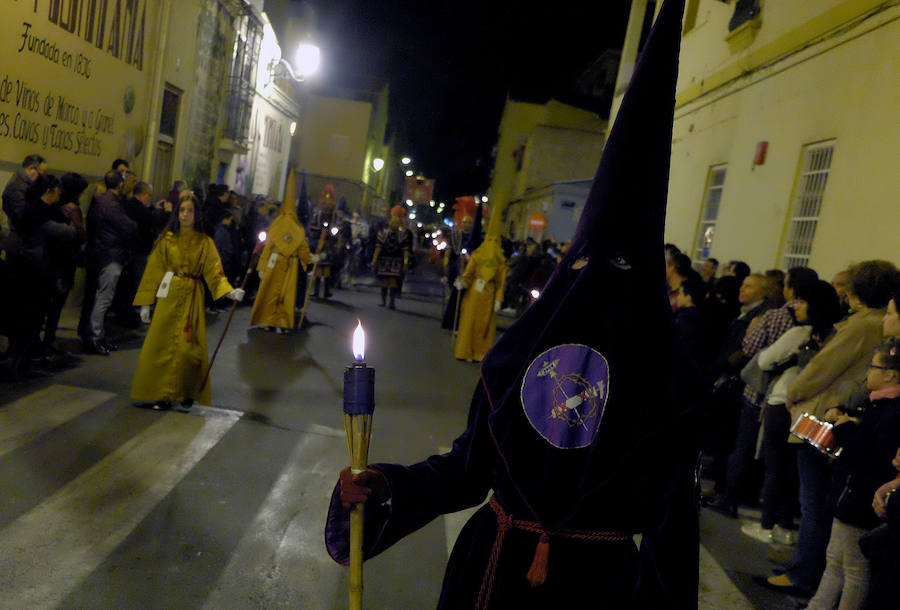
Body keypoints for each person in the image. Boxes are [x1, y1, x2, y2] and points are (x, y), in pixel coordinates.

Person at [326, 3, 703, 605]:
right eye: (583, 268)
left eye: (621, 271)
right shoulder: (518, 360)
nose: (595, 287)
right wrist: (382, 487)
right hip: (493, 576)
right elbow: (467, 470)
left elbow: (673, 533)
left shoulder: (667, 384)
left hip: (596, 590)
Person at [765, 260, 900, 595]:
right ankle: (811, 574)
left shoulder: (863, 326)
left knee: (814, 503)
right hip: (845, 419)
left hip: (827, 415)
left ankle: (804, 574)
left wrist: (795, 393)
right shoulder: (872, 327)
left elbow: (823, 367)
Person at [803, 339, 900, 609]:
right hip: (850, 495)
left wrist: (846, 428)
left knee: (855, 570)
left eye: (873, 366)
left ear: (890, 374)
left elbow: (873, 457)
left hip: (862, 500)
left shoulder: (892, 411)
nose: (868, 372)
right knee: (835, 560)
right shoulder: (879, 405)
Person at [130, 191, 244, 411]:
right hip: (168, 297)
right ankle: (161, 394)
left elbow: (214, 272)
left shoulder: (205, 242)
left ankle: (185, 391)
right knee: (161, 347)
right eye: (182, 210)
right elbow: (154, 270)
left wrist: (229, 291)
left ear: (197, 214)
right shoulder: (166, 239)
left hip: (192, 297)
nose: (185, 215)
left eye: (190, 211)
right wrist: (146, 302)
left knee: (188, 350)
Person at [80, 170, 137, 355]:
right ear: (120, 185)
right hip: (111, 254)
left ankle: (96, 335)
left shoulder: (98, 200)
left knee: (97, 297)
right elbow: (128, 226)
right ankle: (96, 337)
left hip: (98, 252)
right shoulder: (111, 204)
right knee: (104, 298)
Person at [40, 172, 88, 355]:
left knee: (45, 303)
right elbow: (81, 234)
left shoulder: (52, 205)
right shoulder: (72, 209)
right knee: (56, 305)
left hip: (49, 258)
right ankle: (48, 342)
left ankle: (39, 341)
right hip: (66, 260)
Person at [250, 201, 313, 332]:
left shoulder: (278, 227)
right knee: (285, 295)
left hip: (277, 263)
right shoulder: (297, 230)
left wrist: (262, 266)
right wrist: (308, 262)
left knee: (272, 293)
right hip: (288, 264)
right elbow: (303, 250)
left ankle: (271, 321)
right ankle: (280, 323)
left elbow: (268, 248)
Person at [453, 231, 507, 363]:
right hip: (474, 296)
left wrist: (499, 298)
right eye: (490, 241)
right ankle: (465, 352)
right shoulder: (476, 257)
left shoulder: (501, 263)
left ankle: (480, 353)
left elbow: (501, 283)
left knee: (484, 326)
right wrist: (463, 283)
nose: (492, 245)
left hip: (489, 297)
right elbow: (468, 275)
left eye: (495, 242)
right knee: (470, 323)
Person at [371, 215, 409, 309]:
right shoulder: (383, 234)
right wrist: (374, 261)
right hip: (384, 261)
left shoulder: (402, 236)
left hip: (396, 262)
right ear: (390, 223)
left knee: (393, 282)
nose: (394, 224)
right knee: (384, 282)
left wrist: (405, 262)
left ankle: (392, 302)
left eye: (396, 223)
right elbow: (378, 248)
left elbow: (405, 251)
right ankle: (383, 301)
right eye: (393, 222)